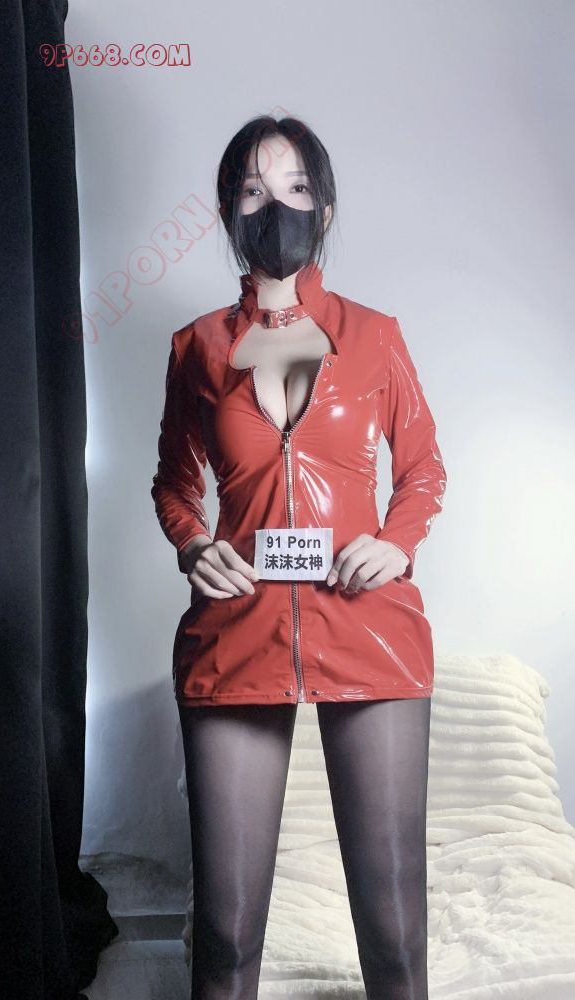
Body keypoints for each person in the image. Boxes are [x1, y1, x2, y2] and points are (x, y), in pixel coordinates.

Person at [151, 114, 447, 999]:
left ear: (323, 206)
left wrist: (394, 543)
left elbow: (423, 469)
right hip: (236, 632)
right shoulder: (197, 347)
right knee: (224, 935)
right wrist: (193, 544)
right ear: (227, 210)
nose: (273, 207)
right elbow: (174, 484)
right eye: (252, 190)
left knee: (393, 938)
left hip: (369, 629)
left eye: (293, 187)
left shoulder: (376, 335)